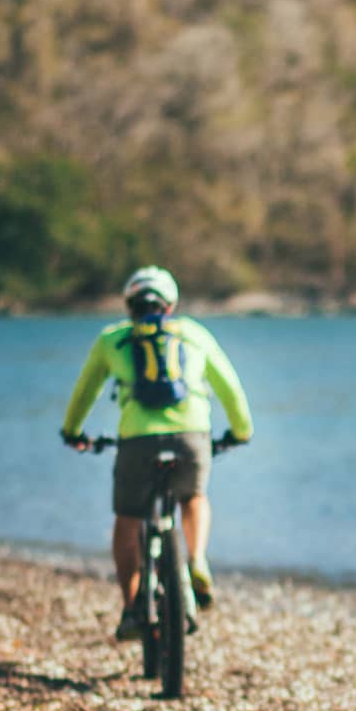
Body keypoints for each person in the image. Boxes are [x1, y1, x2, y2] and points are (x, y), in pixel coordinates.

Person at [61, 265, 254, 640]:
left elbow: (85, 392)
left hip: (137, 441)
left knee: (127, 520)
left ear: (129, 304)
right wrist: (240, 431)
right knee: (193, 496)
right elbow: (230, 388)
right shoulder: (195, 334)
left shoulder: (112, 339)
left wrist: (72, 432)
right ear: (171, 305)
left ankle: (133, 608)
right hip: (192, 435)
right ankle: (196, 559)